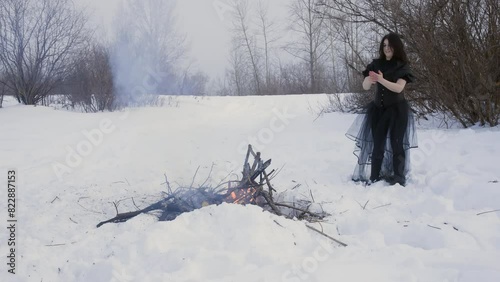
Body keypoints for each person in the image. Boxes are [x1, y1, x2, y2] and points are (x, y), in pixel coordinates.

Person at [346, 33, 418, 186]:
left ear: (396, 46)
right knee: (377, 144)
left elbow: (399, 88)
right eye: (384, 45)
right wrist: (369, 80)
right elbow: (365, 87)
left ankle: (399, 177)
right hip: (378, 110)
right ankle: (374, 176)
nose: (386, 48)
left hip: (397, 111)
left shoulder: (402, 66)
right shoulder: (376, 64)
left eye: (389, 45)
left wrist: (381, 79)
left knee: (397, 144)